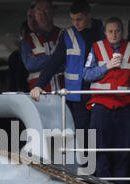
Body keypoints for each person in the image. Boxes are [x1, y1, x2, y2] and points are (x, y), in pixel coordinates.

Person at [82, 17, 130, 184]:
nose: (114, 34)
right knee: (101, 150)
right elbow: (86, 75)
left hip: (125, 108)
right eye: (110, 31)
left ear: (122, 31)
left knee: (123, 151)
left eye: (117, 30)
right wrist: (106, 66)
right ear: (105, 32)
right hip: (101, 106)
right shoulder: (96, 48)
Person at [30, 0, 104, 134]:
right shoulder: (68, 35)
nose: (75, 23)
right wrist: (39, 85)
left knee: (100, 131)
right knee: (82, 133)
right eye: (73, 19)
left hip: (100, 91)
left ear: (89, 16)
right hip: (77, 95)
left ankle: (98, 155)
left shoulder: (103, 31)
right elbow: (54, 62)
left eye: (79, 19)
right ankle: (84, 156)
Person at [21, 0, 64, 92]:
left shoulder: (63, 35)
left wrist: (40, 60)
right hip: (40, 94)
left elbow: (70, 61)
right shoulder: (28, 40)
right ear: (34, 14)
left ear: (53, 12)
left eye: (46, 10)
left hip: (63, 92)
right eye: (39, 10)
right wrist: (58, 58)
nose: (42, 14)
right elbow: (30, 65)